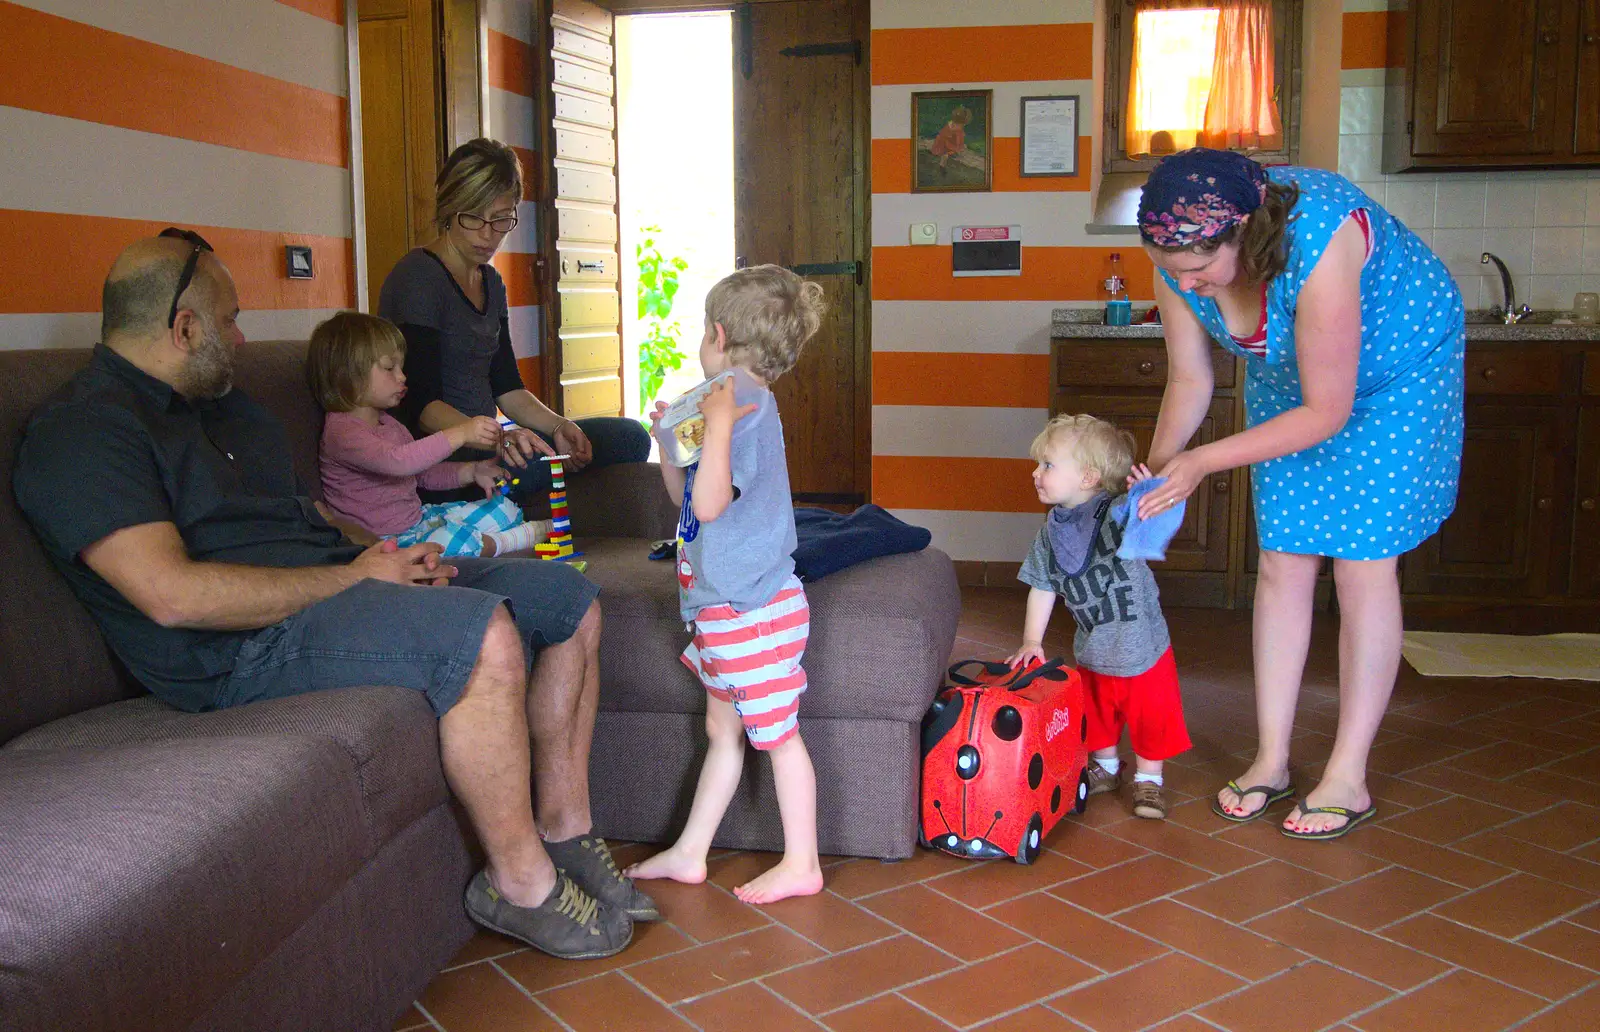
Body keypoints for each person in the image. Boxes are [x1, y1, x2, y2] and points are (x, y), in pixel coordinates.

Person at [11, 231, 658, 959]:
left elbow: (307, 514)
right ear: (183, 328)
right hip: (235, 648)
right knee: (484, 635)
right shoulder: (86, 432)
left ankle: (564, 830)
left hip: (335, 580)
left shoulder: (218, 411)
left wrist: (375, 550)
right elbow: (172, 597)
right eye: (227, 320)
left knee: (570, 602)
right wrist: (356, 577)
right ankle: (519, 884)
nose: (241, 335)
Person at [1133, 148, 1464, 839]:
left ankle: (1348, 772)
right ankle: (1272, 759)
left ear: (1243, 234)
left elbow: (1328, 413)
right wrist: (1159, 471)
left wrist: (1202, 464)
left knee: (1362, 566)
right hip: (1297, 377)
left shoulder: (1322, 243)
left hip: (1400, 370)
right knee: (1283, 559)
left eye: (1198, 268)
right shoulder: (1176, 255)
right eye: (1171, 269)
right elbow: (1191, 382)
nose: (1186, 282)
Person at [624, 265, 827, 905]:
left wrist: (709, 428)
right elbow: (687, 505)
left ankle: (803, 862)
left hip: (752, 611)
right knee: (724, 731)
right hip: (724, 607)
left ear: (716, 333)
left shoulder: (738, 402)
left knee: (780, 737)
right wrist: (668, 440)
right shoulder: (730, 396)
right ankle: (691, 851)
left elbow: (708, 504)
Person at [377, 138, 649, 504]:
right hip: (446, 461)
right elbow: (422, 407)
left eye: (502, 218)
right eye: (473, 217)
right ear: (448, 207)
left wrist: (558, 426)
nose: (489, 234)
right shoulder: (418, 278)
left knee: (630, 436)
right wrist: (501, 438)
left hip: (493, 443)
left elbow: (507, 386)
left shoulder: (491, 281)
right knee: (543, 462)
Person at [1006, 414, 1191, 820]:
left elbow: (1149, 516)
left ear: (1088, 476)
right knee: (1097, 711)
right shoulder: (1050, 532)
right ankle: (1106, 766)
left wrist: (1150, 495)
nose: (1036, 473)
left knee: (1150, 714)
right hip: (1093, 646)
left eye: (1048, 465)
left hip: (1142, 647)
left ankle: (1149, 780)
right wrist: (1032, 640)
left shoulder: (1116, 514)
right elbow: (1043, 585)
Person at [308, 311, 548, 557]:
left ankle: (491, 538)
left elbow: (421, 473)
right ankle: (514, 540)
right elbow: (399, 461)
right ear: (349, 375)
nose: (402, 377)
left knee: (503, 508)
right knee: (452, 543)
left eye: (401, 367)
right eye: (389, 368)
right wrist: (462, 433)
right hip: (385, 544)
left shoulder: (389, 424)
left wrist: (473, 471)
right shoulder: (342, 432)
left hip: (419, 521)